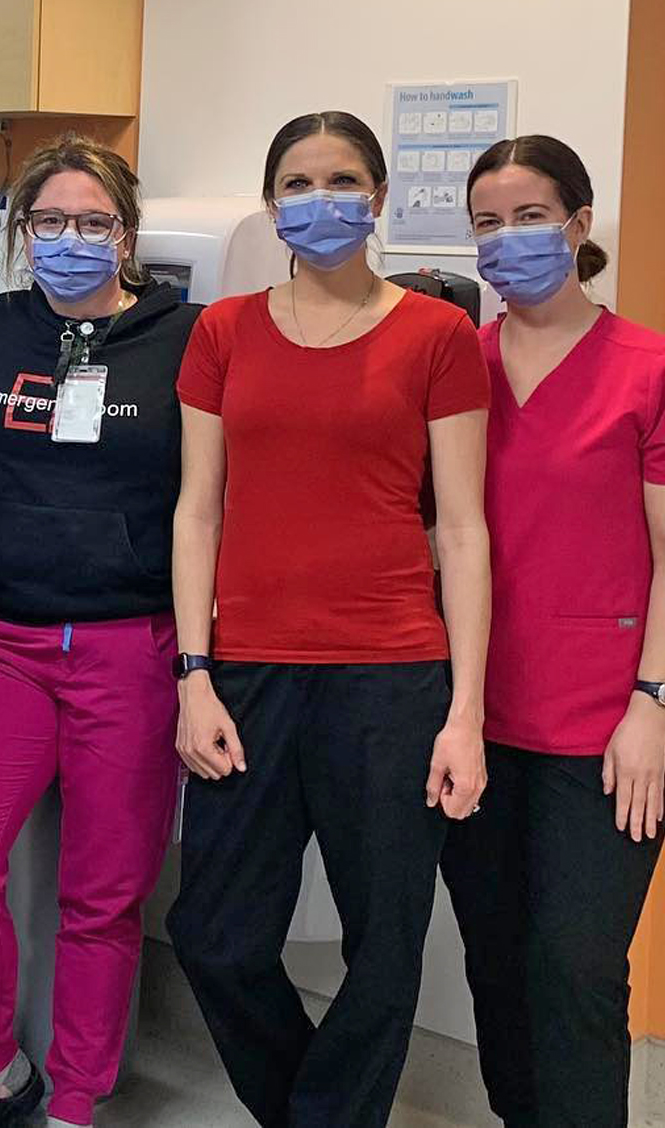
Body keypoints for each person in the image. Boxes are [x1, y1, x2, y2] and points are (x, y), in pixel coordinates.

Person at [165, 110, 492, 1128]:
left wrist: (466, 712)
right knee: (215, 935)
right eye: (297, 185)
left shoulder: (437, 335)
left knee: (385, 945)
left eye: (343, 181)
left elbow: (462, 530)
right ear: (272, 207)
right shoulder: (223, 331)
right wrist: (193, 674)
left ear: (379, 196)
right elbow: (198, 509)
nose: (321, 202)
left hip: (391, 677)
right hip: (246, 674)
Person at [439, 135, 665, 1128]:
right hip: (475, 721)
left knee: (576, 969)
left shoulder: (658, 372)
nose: (507, 238)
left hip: (606, 732)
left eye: (530, 217)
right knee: (495, 963)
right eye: (487, 222)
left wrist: (652, 706)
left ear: (579, 224)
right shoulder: (458, 369)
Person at [0, 134, 201, 1128]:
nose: (69, 239)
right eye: (48, 221)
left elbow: (209, 496)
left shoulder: (184, 335)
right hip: (5, 636)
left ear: (125, 234)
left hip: (132, 644)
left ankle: (76, 1098)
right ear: (21, 232)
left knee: (104, 893)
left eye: (92, 221)